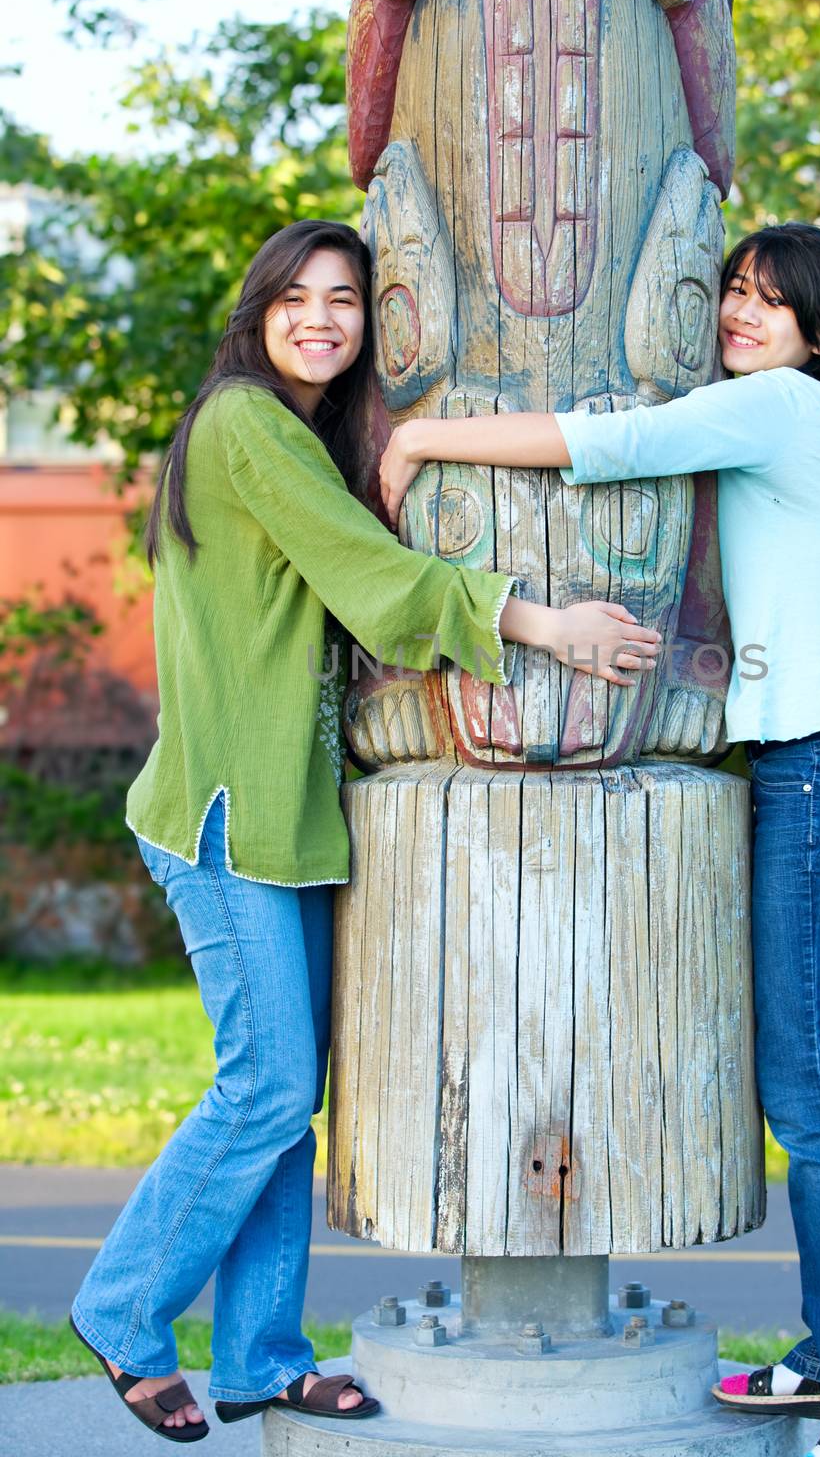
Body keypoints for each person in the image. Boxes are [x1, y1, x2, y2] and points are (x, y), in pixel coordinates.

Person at [69, 219, 661, 1444]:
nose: (322, 318)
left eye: (344, 298)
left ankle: (263, 1356)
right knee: (269, 1083)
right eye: (296, 297)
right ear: (258, 311)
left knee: (287, 1097)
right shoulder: (240, 422)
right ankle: (123, 1308)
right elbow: (373, 583)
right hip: (223, 817)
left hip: (293, 817)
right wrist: (544, 626)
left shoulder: (302, 437)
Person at [378, 222, 820, 1457]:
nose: (742, 315)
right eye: (735, 294)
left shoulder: (781, 410)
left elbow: (607, 446)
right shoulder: (803, 427)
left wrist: (420, 432)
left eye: (772, 301)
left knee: (810, 1092)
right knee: (815, 1081)